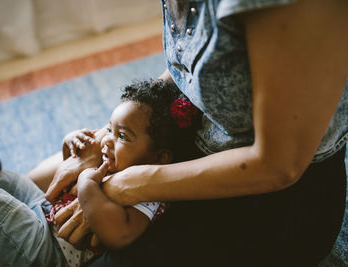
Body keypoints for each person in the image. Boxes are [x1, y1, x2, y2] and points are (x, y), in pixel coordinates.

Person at [40, 0, 348, 266]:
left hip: (270, 201)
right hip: (191, 144)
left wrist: (129, 183)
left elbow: (281, 165)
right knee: (37, 185)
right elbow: (184, 73)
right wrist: (106, 137)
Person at [0, 80, 201, 266]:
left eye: (122, 136)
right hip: (46, 212)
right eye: (110, 129)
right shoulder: (113, 161)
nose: (107, 141)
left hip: (49, 250)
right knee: (16, 182)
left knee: (3, 214)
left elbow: (119, 234)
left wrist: (87, 185)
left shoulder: (151, 193)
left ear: (160, 158)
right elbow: (65, 173)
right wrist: (70, 143)